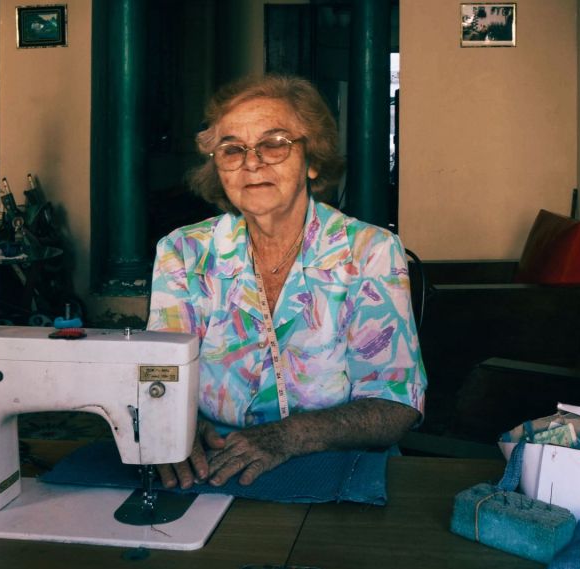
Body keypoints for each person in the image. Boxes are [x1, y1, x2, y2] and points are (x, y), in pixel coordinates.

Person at [147, 74, 426, 490]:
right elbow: (159, 376)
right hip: (218, 468)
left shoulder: (369, 251)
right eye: (232, 149)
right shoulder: (184, 252)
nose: (252, 162)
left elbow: (396, 403)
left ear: (312, 160)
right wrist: (181, 427)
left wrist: (286, 437)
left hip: (336, 469)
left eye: (274, 144)